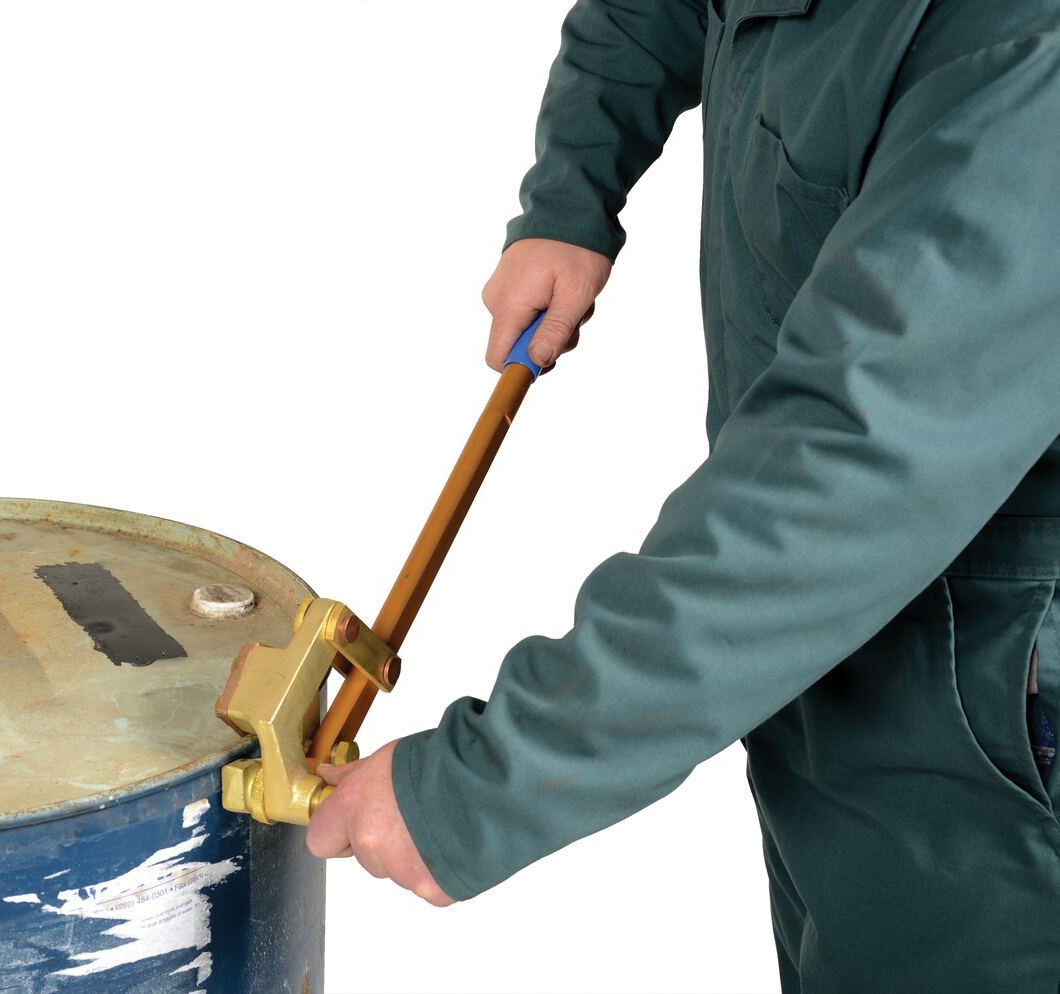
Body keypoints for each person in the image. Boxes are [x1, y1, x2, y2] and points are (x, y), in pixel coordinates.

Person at [304, 1, 1060, 990]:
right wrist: (573, 192)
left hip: (990, 725)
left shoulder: (1025, 60)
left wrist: (483, 786)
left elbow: (840, 477)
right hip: (811, 665)